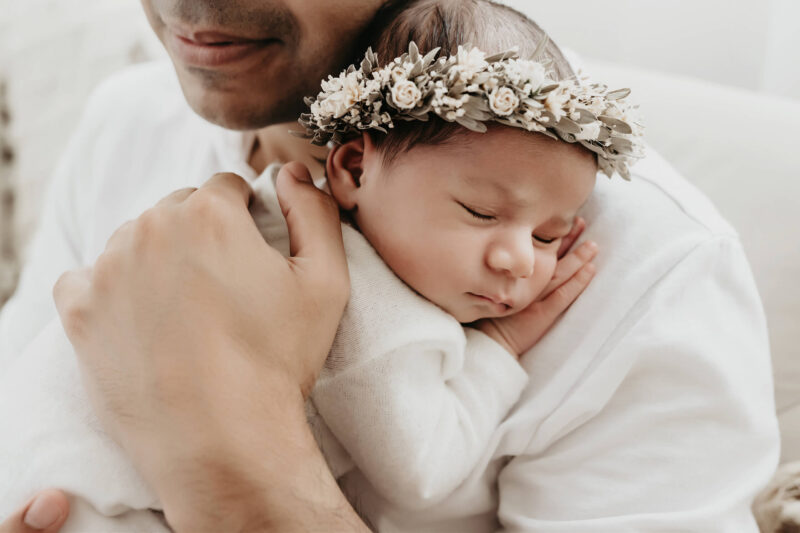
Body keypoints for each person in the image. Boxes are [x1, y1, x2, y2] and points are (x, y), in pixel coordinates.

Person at [0, 0, 779, 531]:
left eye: (540, 231)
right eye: (480, 213)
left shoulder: (652, 282)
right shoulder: (126, 121)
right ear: (349, 167)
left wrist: (240, 465)